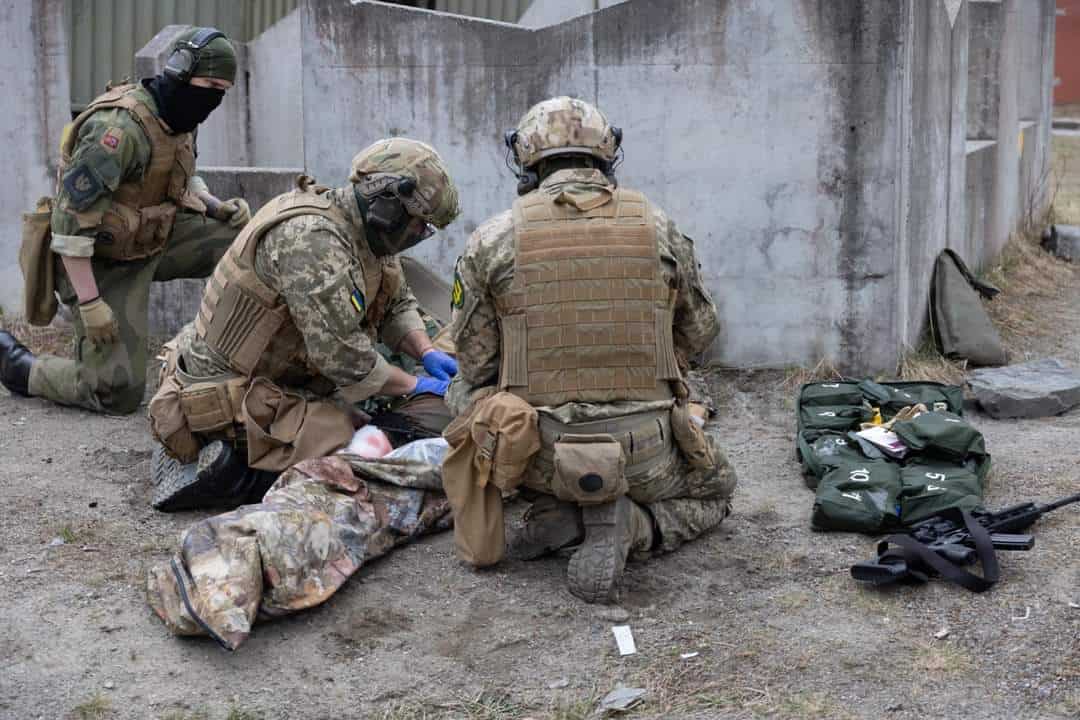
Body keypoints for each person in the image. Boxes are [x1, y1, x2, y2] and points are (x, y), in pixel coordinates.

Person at [445, 97, 737, 603]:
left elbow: (475, 361)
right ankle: (634, 526)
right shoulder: (657, 225)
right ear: (607, 154)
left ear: (526, 158)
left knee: (461, 389)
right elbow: (700, 331)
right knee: (719, 492)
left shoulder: (492, 238)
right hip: (647, 454)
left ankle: (565, 514)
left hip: (537, 454)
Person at [147, 137, 461, 512]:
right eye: (419, 225)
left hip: (283, 373)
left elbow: (396, 303)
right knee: (361, 446)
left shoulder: (365, 233)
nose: (418, 235)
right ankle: (232, 472)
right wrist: (416, 385)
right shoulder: (311, 241)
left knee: (380, 403)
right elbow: (346, 360)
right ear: (388, 203)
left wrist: (425, 352)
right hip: (231, 387)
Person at [0, 27, 249, 415]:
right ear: (182, 71)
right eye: (211, 85)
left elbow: (182, 176)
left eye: (223, 90)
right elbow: (70, 226)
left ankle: (237, 352)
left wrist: (217, 208)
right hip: (98, 262)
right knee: (115, 393)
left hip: (152, 240)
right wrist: (91, 304)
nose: (215, 99)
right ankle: (21, 368)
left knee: (251, 242)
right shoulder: (118, 131)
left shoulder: (181, 116)